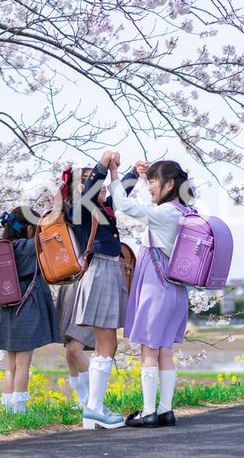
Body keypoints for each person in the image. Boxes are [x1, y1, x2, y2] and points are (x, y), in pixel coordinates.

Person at [108, 158, 192, 428]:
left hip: (157, 286)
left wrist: (114, 174)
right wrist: (143, 179)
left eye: (155, 180)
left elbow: (124, 205)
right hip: (176, 289)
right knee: (164, 351)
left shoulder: (165, 213)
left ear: (169, 184)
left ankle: (147, 411)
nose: (151, 185)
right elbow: (150, 204)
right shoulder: (185, 211)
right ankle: (165, 410)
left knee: (149, 349)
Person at [70, 151, 139, 429]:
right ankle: (94, 409)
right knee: (108, 343)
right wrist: (103, 162)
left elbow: (120, 194)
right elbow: (89, 191)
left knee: (105, 343)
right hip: (101, 271)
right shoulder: (80, 210)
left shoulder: (103, 209)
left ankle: (94, 408)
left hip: (106, 271)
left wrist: (133, 170)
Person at [0, 206, 61, 413]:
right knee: (23, 364)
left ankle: (8, 408)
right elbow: (51, 237)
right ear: (29, 229)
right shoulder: (27, 246)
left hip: (9, 308)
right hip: (26, 306)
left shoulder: (4, 247)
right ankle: (20, 407)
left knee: (11, 365)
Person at [55, 167, 96, 408]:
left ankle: (93, 398)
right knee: (70, 349)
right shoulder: (70, 212)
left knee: (75, 348)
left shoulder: (96, 210)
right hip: (71, 283)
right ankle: (83, 400)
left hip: (90, 282)